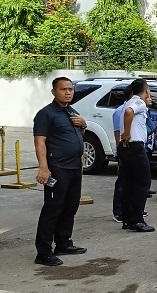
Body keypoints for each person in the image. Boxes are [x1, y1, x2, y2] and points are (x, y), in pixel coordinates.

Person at [32, 77, 88, 266]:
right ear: (54, 91)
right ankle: (43, 252)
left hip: (74, 167)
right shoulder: (46, 114)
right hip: (57, 168)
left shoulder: (72, 112)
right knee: (53, 209)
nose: (68, 92)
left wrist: (84, 124)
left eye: (70, 89)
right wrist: (43, 167)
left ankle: (63, 243)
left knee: (70, 206)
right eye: (63, 89)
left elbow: (78, 136)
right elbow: (40, 142)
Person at [118, 79, 155, 232]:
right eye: (149, 90)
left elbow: (127, 112)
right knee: (143, 182)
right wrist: (127, 133)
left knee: (129, 183)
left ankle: (127, 218)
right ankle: (137, 220)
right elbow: (129, 113)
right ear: (146, 90)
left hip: (126, 147)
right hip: (135, 146)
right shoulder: (139, 103)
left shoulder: (127, 102)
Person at [112, 87, 133, 223]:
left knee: (132, 182)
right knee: (122, 182)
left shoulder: (129, 109)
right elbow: (118, 133)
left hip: (132, 149)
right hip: (125, 149)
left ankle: (131, 210)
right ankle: (118, 211)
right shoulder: (121, 111)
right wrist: (120, 151)